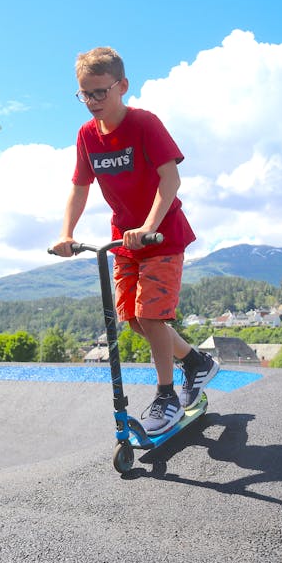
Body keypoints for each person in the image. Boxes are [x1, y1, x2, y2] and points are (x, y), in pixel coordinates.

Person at [51, 46, 219, 436]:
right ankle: (195, 362)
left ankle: (167, 396)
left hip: (162, 236)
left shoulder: (145, 124)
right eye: (84, 94)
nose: (91, 102)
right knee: (134, 320)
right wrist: (66, 234)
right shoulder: (87, 136)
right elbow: (79, 186)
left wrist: (149, 225)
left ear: (122, 86)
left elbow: (170, 180)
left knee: (150, 315)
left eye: (99, 93)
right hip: (124, 240)